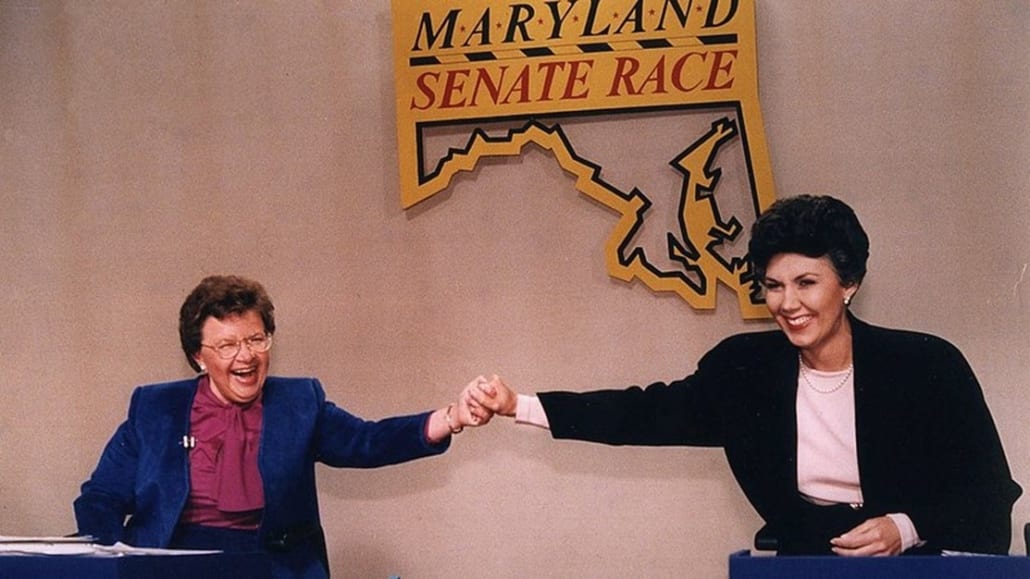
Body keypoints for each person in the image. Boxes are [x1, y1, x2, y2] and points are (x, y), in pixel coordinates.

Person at [469, 194, 1021, 556]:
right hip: (802, 567)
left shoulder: (928, 364)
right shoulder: (743, 369)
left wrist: (904, 527)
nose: (788, 303)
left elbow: (990, 490)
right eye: (773, 286)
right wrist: (520, 404)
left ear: (848, 284)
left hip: (921, 566)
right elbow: (643, 412)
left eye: (807, 283)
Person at [75, 275, 489, 578]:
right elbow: (100, 497)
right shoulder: (155, 408)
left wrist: (451, 417)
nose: (246, 356)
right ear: (198, 357)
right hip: (173, 565)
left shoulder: (299, 402)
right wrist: (115, 561)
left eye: (256, 339)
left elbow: (367, 441)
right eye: (227, 345)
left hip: (273, 567)